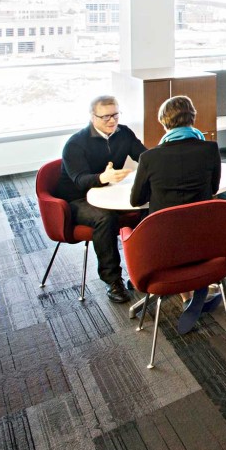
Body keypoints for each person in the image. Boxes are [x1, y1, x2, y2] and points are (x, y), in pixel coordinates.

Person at [130, 95, 223, 334]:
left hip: (164, 242)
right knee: (189, 228)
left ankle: (187, 297)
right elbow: (213, 189)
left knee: (173, 229)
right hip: (203, 238)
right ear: (193, 117)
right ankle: (196, 290)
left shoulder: (149, 158)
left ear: (164, 123)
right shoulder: (210, 149)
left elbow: (136, 200)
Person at [56, 95, 147, 303]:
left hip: (111, 193)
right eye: (105, 117)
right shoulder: (75, 143)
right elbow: (79, 180)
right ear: (92, 117)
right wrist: (102, 178)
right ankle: (113, 280)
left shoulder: (123, 133)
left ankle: (142, 269)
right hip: (77, 199)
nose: (112, 121)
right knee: (105, 218)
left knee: (150, 206)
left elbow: (144, 156)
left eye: (115, 114)